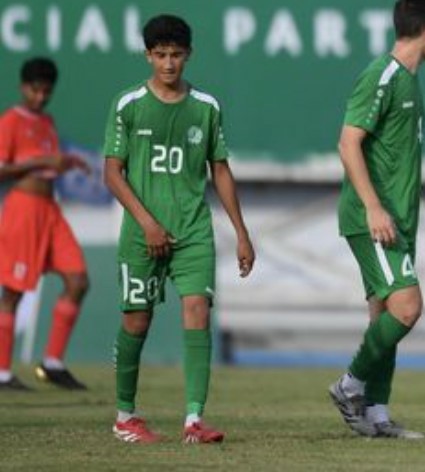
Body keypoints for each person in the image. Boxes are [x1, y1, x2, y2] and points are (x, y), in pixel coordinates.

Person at [102, 14, 255, 444]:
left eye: (176, 55)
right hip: (142, 234)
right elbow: (112, 173)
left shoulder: (206, 107)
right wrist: (147, 222)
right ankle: (125, 416)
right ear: (147, 56)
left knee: (198, 310)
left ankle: (193, 421)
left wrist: (242, 232)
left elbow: (220, 170)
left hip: (192, 231)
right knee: (137, 320)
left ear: (189, 55)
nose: (169, 63)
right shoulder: (128, 104)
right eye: (161, 55)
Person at [329, 0, 425, 439]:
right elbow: (348, 143)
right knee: (407, 306)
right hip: (373, 217)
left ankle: (376, 415)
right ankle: (349, 386)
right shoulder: (382, 75)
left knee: (384, 314)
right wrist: (374, 207)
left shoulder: (409, 81)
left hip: (397, 218)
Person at [0, 57, 91, 391]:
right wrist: (41, 161)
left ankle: (52, 363)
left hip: (50, 210)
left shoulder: (46, 121)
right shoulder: (11, 121)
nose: (40, 97)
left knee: (78, 280)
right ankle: (2, 373)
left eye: (46, 91)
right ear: (23, 87)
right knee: (13, 291)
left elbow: (46, 164)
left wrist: (65, 162)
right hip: (23, 209)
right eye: (35, 90)